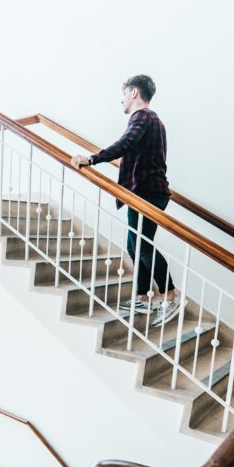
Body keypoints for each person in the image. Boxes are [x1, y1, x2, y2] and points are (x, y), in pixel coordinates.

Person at [70, 75, 181, 327]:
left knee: (142, 247)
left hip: (147, 193)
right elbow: (138, 152)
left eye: (124, 94)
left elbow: (126, 142)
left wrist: (93, 158)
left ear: (134, 92)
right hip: (146, 192)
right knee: (135, 246)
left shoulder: (143, 117)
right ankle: (143, 297)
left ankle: (170, 297)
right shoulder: (155, 122)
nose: (121, 100)